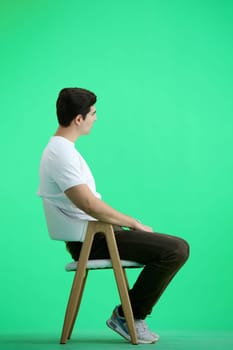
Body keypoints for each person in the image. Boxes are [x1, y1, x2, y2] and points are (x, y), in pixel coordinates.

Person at [38, 87, 189, 344]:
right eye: (93, 113)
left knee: (173, 247)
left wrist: (123, 225)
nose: (96, 118)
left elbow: (89, 205)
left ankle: (128, 314)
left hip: (97, 233)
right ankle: (128, 315)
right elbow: (88, 204)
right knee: (175, 249)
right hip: (92, 240)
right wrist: (133, 223)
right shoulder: (61, 154)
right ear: (79, 118)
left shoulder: (63, 150)